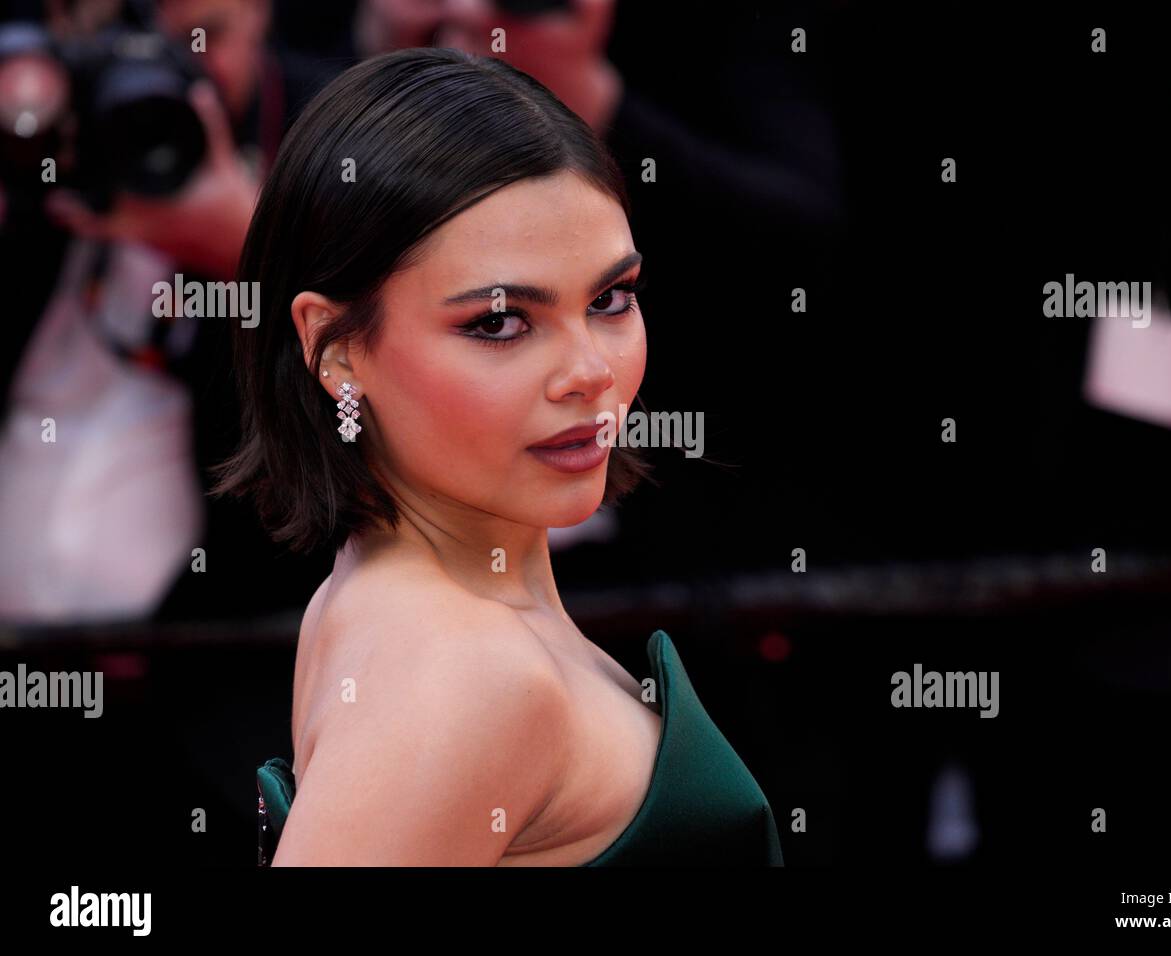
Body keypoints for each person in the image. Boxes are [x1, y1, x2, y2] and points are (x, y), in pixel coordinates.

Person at [222, 47, 784, 865]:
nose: (589, 371)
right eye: (498, 322)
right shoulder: (466, 674)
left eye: (611, 299)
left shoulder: (395, 598)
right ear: (336, 348)